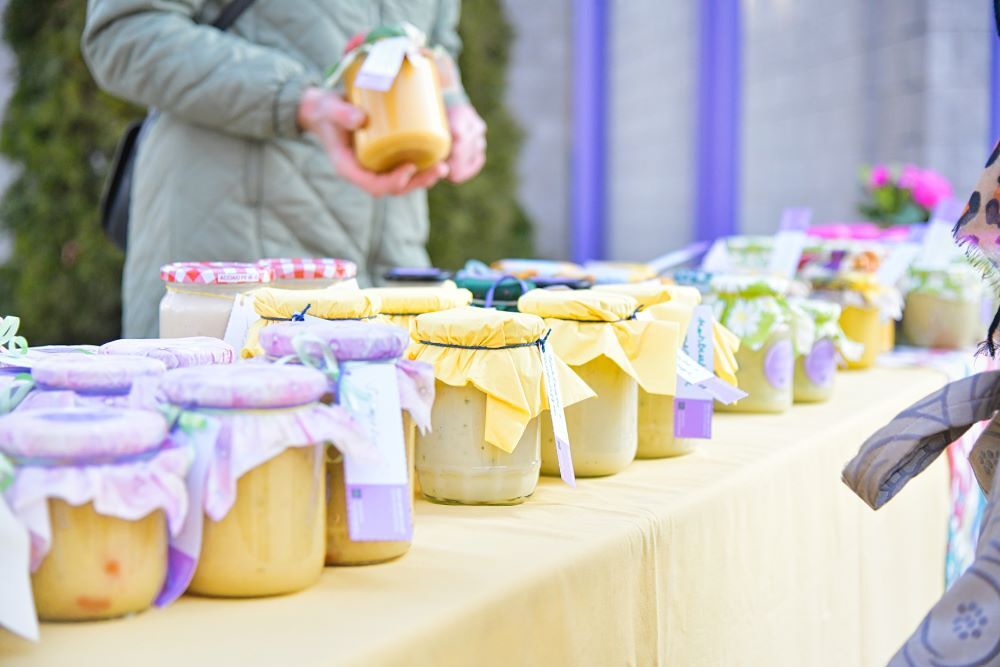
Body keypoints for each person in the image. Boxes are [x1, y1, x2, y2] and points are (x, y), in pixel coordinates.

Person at [82, 0, 487, 338]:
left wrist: (452, 102)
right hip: (233, 267)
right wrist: (298, 101)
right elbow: (124, 32)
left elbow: (434, 43)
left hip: (387, 274)